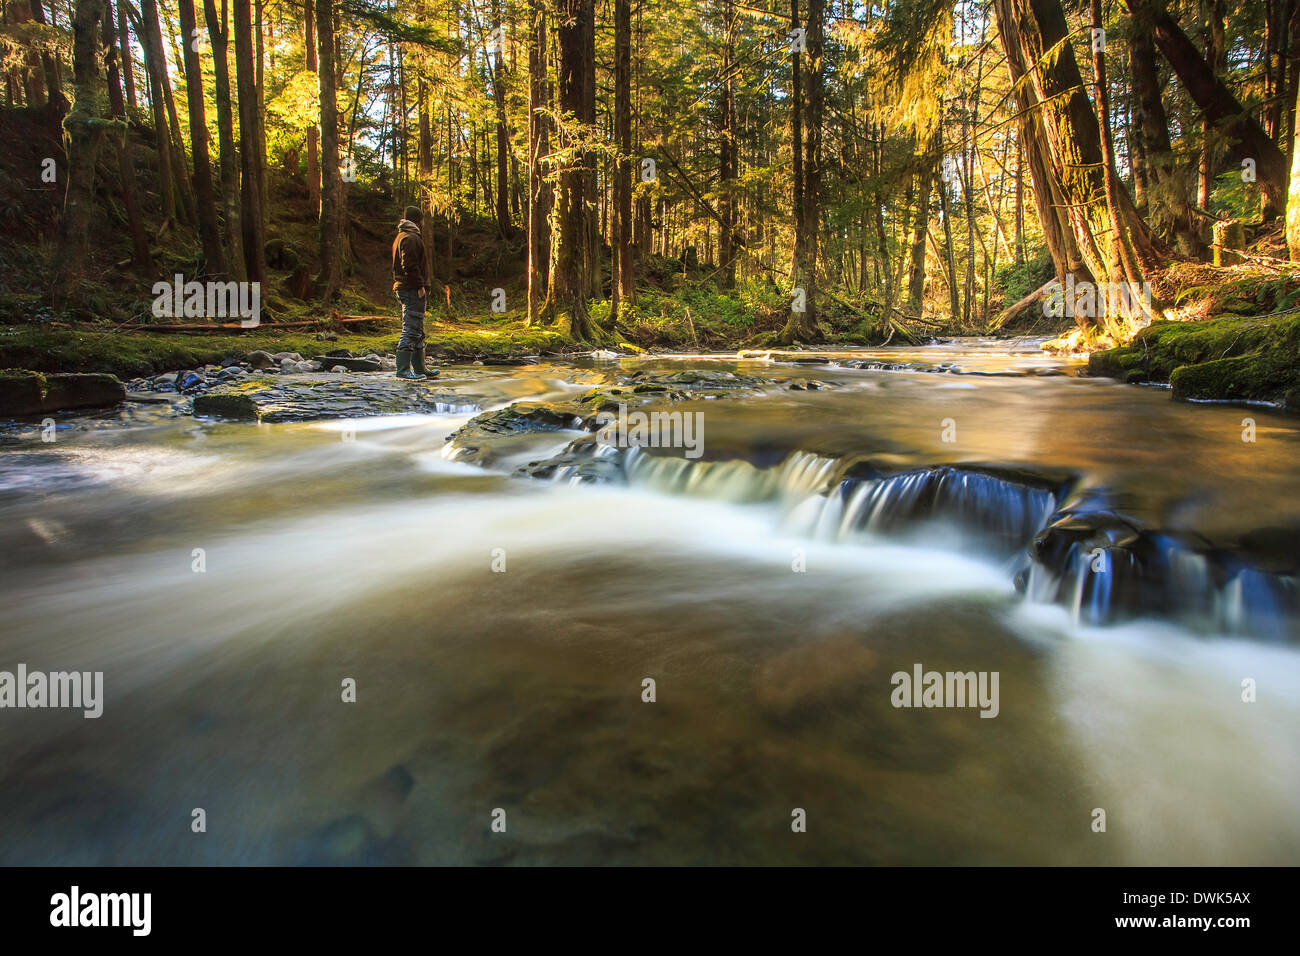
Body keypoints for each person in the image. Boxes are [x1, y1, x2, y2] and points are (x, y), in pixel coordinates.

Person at [392, 205, 438, 380]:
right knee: (411, 328)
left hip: (407, 287)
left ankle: (420, 369)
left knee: (418, 329)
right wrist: (420, 286)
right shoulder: (410, 238)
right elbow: (409, 265)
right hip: (411, 289)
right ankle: (402, 370)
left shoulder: (403, 236)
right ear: (418, 221)